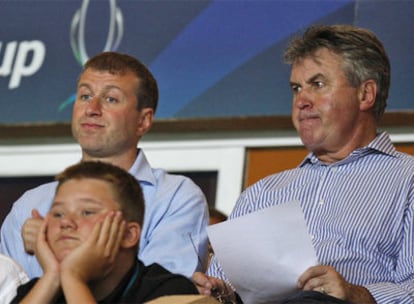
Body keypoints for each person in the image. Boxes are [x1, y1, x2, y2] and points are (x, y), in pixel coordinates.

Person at [193, 24, 414, 304]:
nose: (301, 101)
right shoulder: (261, 194)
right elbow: (227, 288)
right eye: (297, 88)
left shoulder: (408, 182)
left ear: (365, 94)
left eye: (317, 85)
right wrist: (217, 291)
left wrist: (357, 295)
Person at [0, 51, 209, 279]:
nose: (92, 109)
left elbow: (160, 296)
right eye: (85, 96)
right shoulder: (29, 206)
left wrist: (54, 250)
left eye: (111, 99)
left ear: (143, 120)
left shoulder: (174, 198)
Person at [12, 161, 199, 303]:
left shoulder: (170, 290)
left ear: (128, 234)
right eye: (58, 213)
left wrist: (73, 277)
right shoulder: (37, 291)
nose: (66, 222)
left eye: (87, 212)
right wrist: (52, 277)